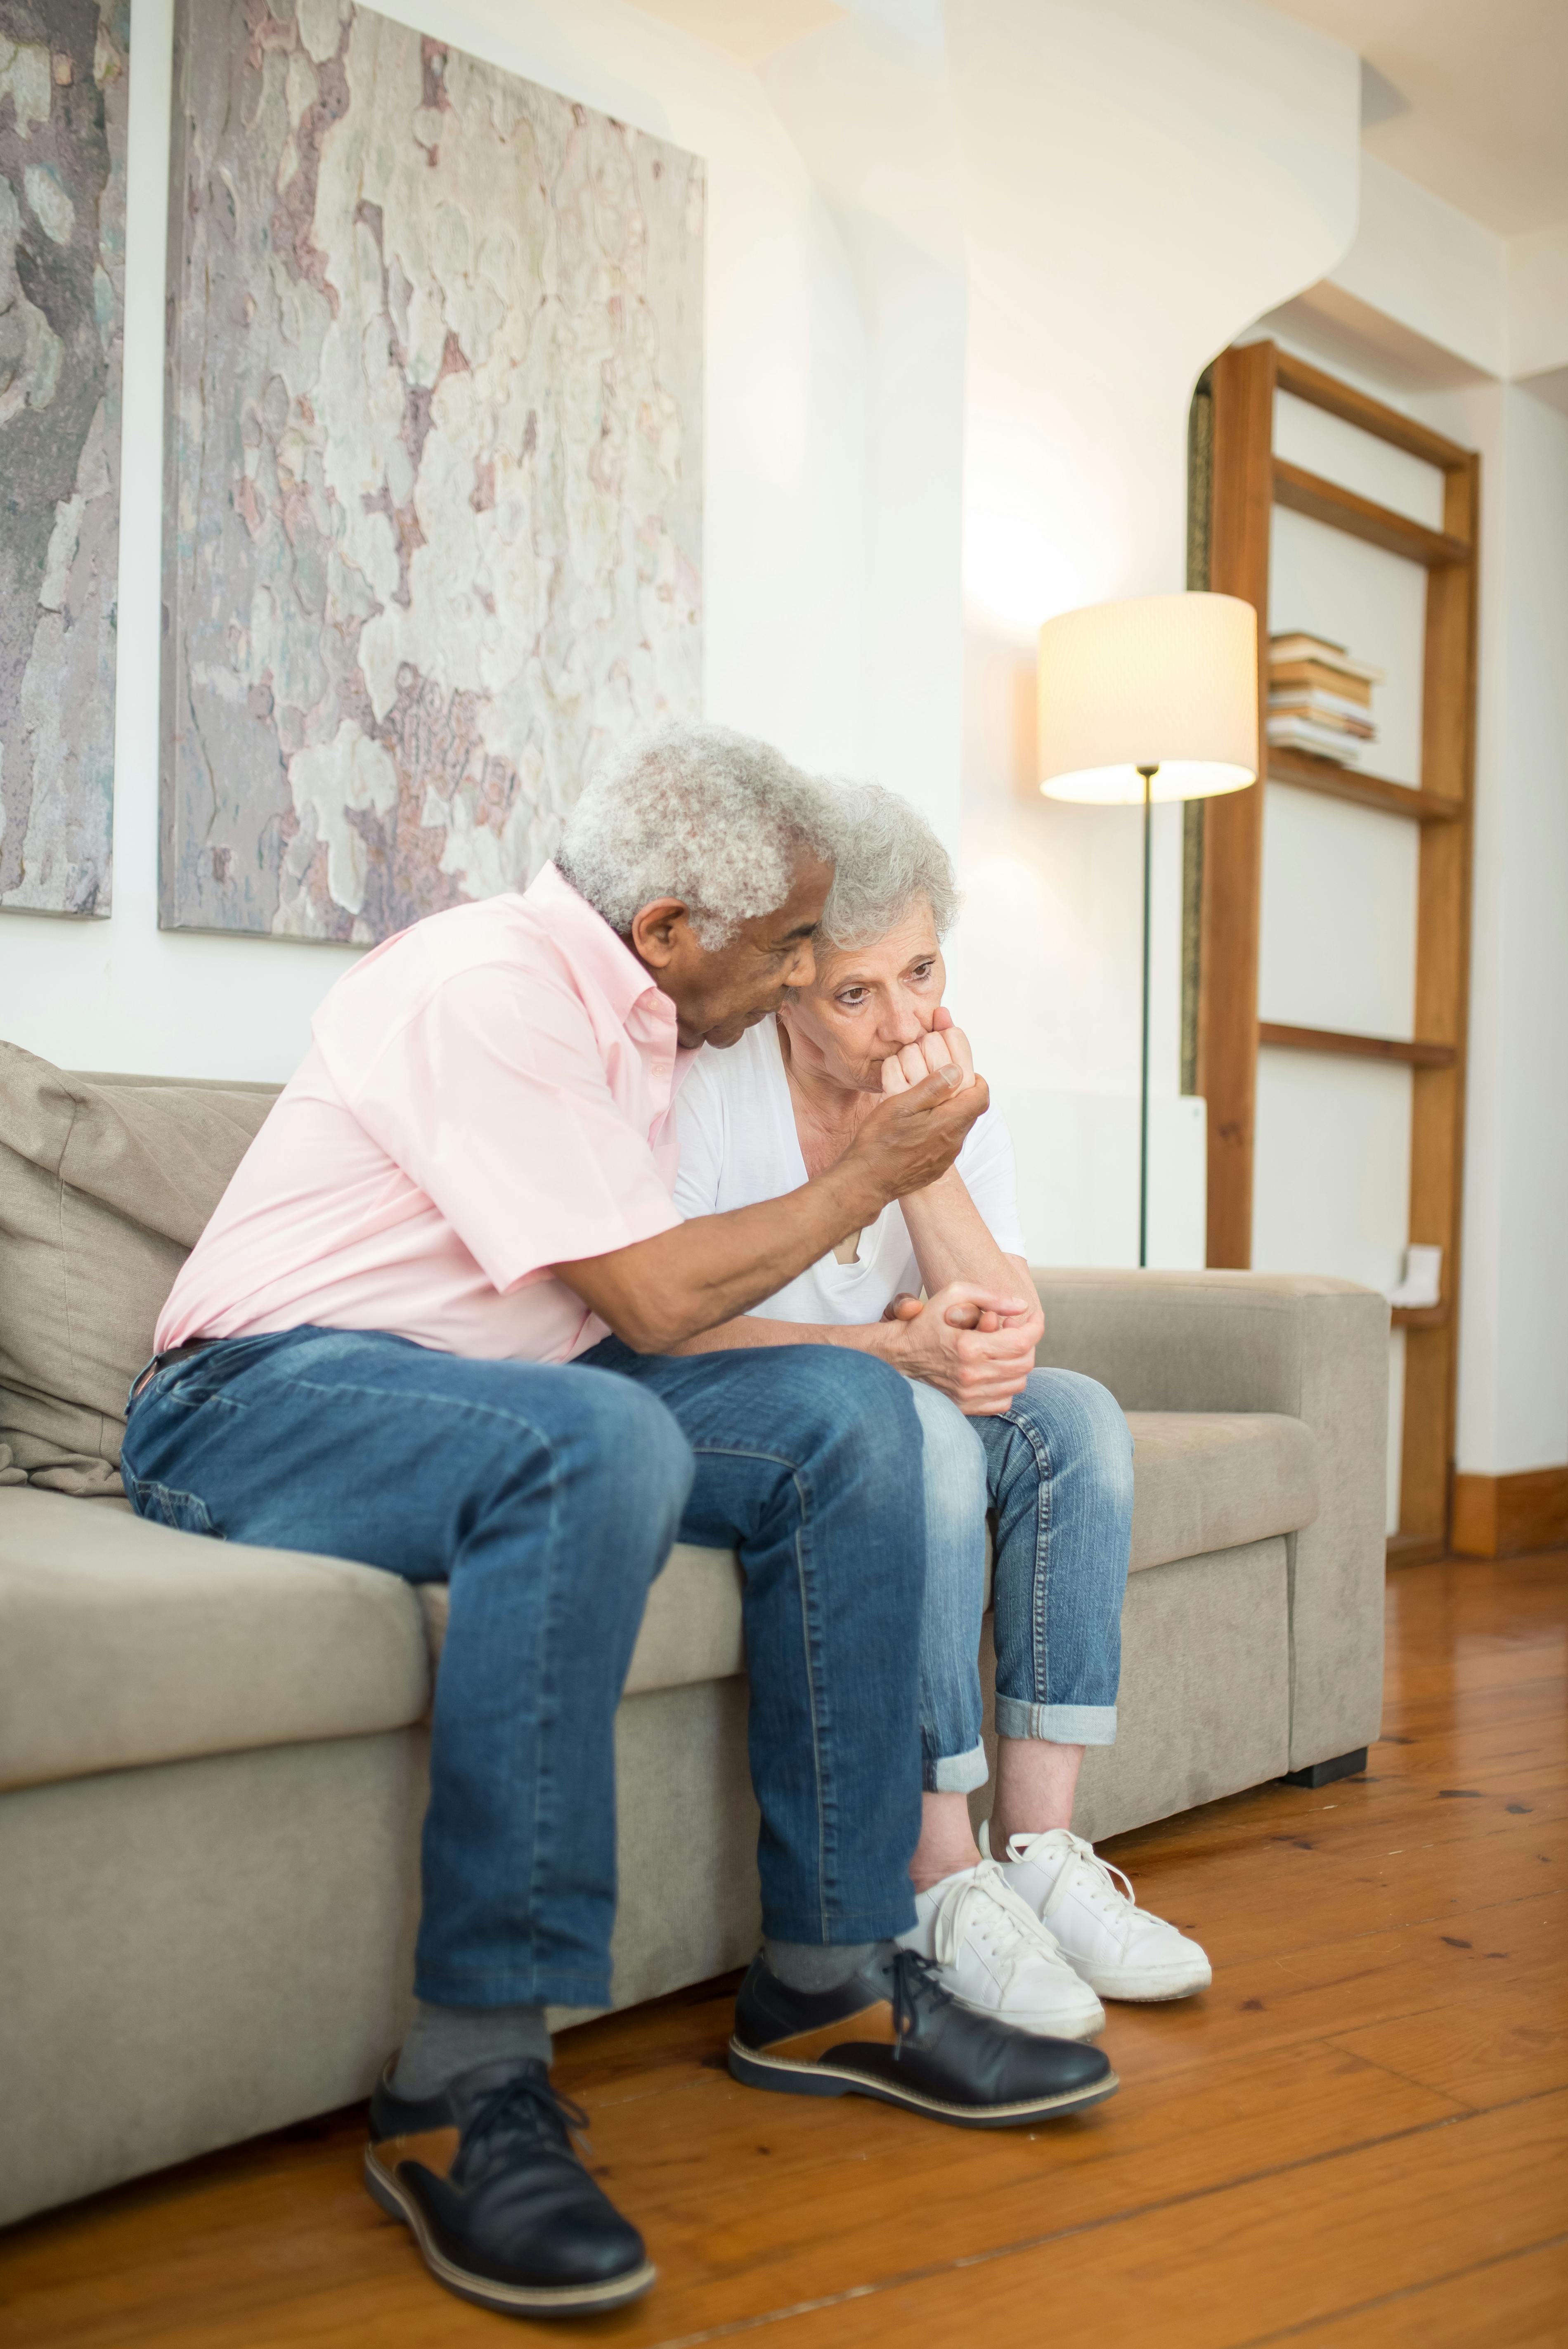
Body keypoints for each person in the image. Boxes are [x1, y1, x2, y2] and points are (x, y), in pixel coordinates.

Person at [122, 729, 1113, 2325]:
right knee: (590, 1447)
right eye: (791, 944)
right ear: (666, 931)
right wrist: (873, 1174)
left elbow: (675, 1307)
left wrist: (892, 1189)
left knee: (853, 1421)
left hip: (512, 1390)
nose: (807, 969)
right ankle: (464, 2077)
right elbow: (650, 1295)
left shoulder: (656, 1033)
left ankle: (829, 1976)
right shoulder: (489, 989)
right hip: (258, 1393)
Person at [672, 781, 1212, 2047]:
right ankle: (935, 1877)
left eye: (923, 969)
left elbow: (1009, 1325)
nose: (905, 1018)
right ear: (787, 987)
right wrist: (890, 1349)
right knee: (905, 1425)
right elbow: (671, 1321)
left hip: (887, 1381)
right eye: (858, 993)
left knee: (1075, 1419)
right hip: (741, 1400)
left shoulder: (944, 1085)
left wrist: (929, 1153)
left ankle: (1040, 1853)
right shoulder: (712, 1083)